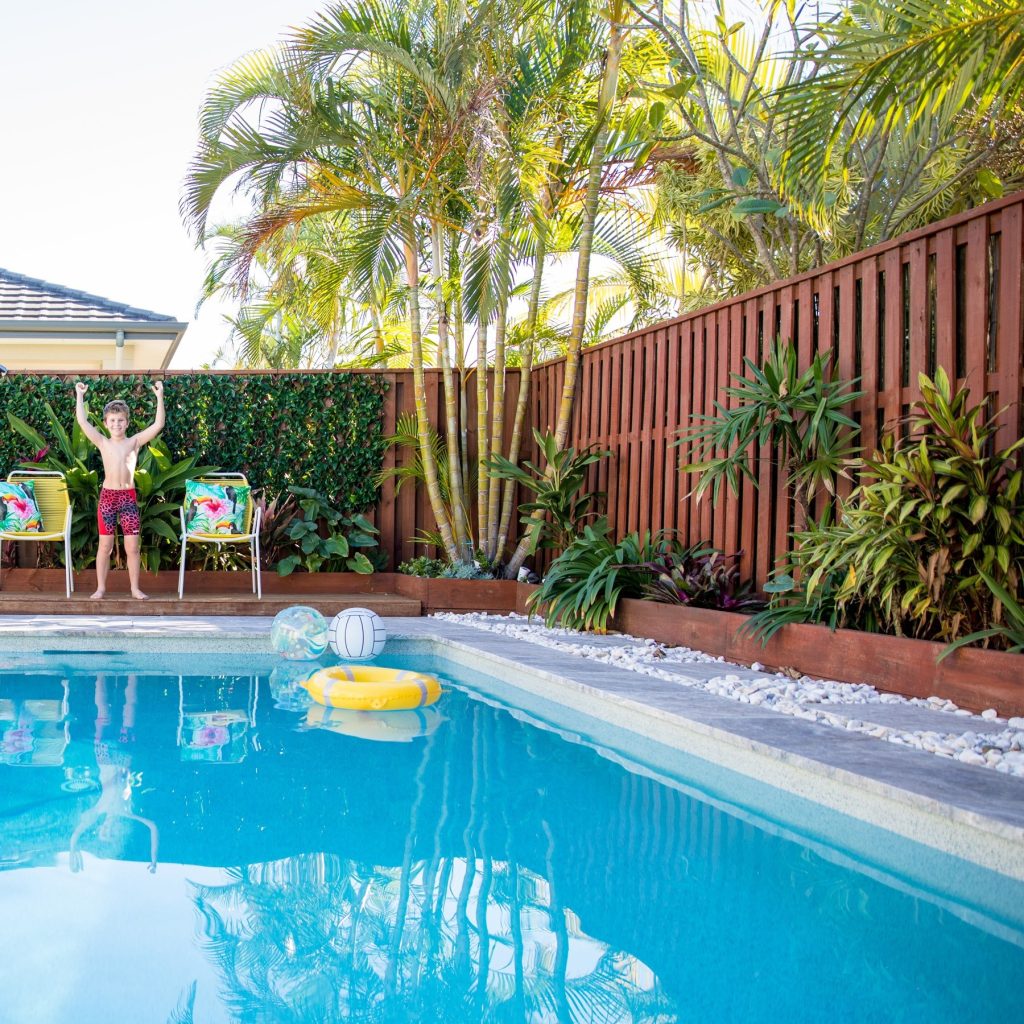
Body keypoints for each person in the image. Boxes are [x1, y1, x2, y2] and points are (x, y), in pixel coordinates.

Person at [74, 380, 165, 599]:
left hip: (128, 499)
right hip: (108, 498)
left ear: (127, 422)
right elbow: (82, 422)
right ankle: (100, 588)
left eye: (120, 420)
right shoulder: (102, 442)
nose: (116, 424)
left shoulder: (134, 442)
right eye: (112, 420)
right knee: (105, 546)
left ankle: (134, 588)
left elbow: (158, 424)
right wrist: (80, 396)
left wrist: (160, 396)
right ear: (106, 423)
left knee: (132, 547)